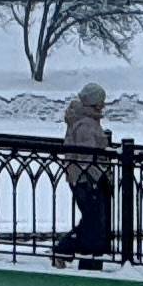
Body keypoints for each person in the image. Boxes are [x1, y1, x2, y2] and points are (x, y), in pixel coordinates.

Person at [51, 83, 116, 268]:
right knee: (93, 222)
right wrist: (99, 176)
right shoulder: (86, 124)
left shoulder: (81, 119)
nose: (103, 106)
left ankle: (69, 252)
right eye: (101, 102)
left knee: (91, 221)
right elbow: (88, 156)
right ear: (94, 103)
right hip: (87, 181)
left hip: (80, 179)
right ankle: (73, 253)